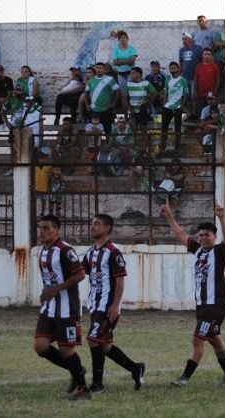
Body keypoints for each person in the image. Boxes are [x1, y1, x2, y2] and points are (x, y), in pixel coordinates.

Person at [159, 202, 225, 388]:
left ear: (214, 236)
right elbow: (180, 234)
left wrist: (221, 217)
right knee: (215, 341)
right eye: (200, 235)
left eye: (206, 235)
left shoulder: (219, 251)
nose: (202, 238)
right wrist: (169, 215)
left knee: (197, 339)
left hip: (214, 306)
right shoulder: (197, 250)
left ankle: (185, 377)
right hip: (202, 306)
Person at [82, 214, 145, 393]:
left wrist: (115, 305)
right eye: (92, 223)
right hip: (95, 305)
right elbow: (80, 272)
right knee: (103, 344)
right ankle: (135, 368)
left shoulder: (113, 251)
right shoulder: (91, 252)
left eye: (97, 224)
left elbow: (120, 281)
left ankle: (97, 384)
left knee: (94, 341)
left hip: (107, 306)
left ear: (107, 228)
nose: (92, 226)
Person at [33, 215, 89, 399]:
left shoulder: (66, 251)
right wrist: (46, 291)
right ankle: (77, 370)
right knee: (40, 347)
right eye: (40, 228)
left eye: (46, 228)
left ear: (56, 231)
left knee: (66, 350)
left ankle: (83, 388)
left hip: (67, 308)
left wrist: (56, 289)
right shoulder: (42, 251)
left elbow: (80, 275)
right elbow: (50, 277)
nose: (42, 231)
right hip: (49, 308)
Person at [84, 62, 121, 134]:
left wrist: (113, 103)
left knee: (107, 128)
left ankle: (107, 143)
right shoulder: (91, 80)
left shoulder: (110, 79)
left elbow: (117, 91)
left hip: (106, 109)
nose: (98, 70)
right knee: (93, 129)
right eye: (97, 68)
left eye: (100, 68)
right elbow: (86, 93)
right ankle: (95, 144)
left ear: (104, 69)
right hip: (94, 108)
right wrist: (87, 106)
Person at [123, 67, 157, 143]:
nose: (131, 75)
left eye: (133, 73)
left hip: (143, 109)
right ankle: (134, 144)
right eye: (131, 73)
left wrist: (149, 102)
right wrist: (129, 108)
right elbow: (125, 97)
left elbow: (155, 93)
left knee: (143, 128)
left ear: (139, 74)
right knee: (132, 126)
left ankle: (145, 145)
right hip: (133, 109)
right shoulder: (128, 84)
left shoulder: (146, 83)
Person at [161, 61, 189, 152]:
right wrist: (164, 104)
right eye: (171, 68)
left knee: (177, 128)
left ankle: (177, 146)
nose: (173, 70)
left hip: (177, 107)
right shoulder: (167, 79)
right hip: (168, 107)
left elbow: (186, 94)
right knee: (164, 128)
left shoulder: (183, 80)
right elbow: (165, 93)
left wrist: (182, 106)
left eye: (174, 68)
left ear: (178, 69)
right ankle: (162, 147)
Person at [180, 32, 204, 117]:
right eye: (183, 39)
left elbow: (202, 61)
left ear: (190, 39)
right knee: (187, 97)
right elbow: (181, 62)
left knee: (195, 96)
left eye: (185, 38)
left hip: (195, 77)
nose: (184, 41)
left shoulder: (198, 48)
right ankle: (189, 115)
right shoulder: (181, 50)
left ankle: (196, 114)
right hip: (185, 77)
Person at [198, 93, 222, 175]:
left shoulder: (219, 107)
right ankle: (204, 170)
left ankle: (210, 170)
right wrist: (207, 124)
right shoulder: (205, 109)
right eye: (209, 99)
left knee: (211, 154)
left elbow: (219, 120)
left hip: (216, 134)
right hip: (207, 134)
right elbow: (201, 124)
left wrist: (207, 123)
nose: (210, 101)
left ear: (215, 99)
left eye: (212, 99)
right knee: (206, 153)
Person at [194, 48, 221, 112]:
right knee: (202, 110)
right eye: (205, 54)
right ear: (202, 55)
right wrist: (195, 92)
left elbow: (218, 79)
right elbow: (196, 79)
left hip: (211, 93)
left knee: (211, 111)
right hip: (201, 93)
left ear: (211, 56)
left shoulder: (215, 66)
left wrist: (215, 91)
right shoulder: (198, 66)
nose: (207, 56)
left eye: (209, 54)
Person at [34, 149, 54, 216]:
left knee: (43, 200)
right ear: (39, 159)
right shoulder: (34, 167)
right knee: (34, 200)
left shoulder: (48, 167)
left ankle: (42, 212)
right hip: (36, 187)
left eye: (45, 158)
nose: (45, 160)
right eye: (43, 158)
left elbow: (52, 167)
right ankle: (34, 211)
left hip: (44, 187)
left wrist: (49, 159)